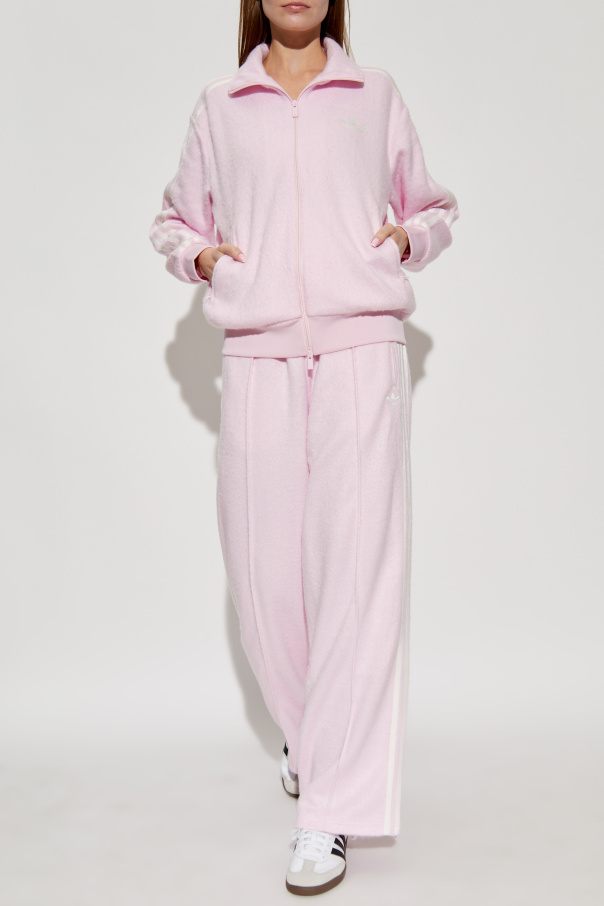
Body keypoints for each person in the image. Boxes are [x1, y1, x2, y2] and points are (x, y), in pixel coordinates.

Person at [149, 0, 459, 896]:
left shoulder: (375, 92)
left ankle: (331, 807)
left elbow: (435, 207)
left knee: (356, 572)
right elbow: (173, 221)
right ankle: (312, 735)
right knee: (263, 577)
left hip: (363, 347)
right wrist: (206, 260)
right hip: (256, 353)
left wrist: (407, 237)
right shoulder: (221, 104)